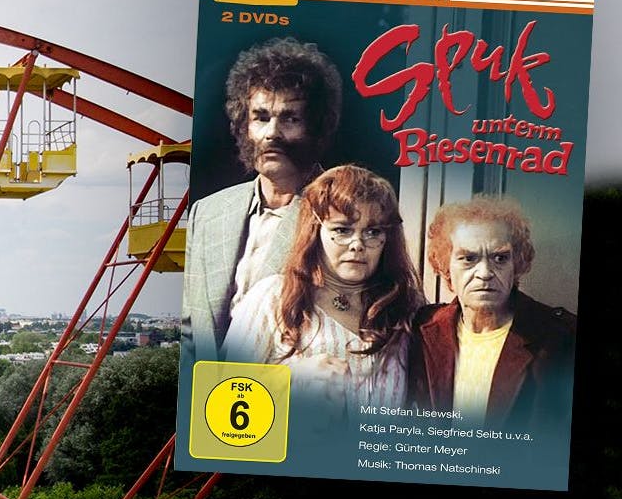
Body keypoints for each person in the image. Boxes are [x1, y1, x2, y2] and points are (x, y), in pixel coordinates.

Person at [183, 37, 344, 360]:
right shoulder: (207, 213)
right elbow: (191, 331)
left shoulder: (343, 214)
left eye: (290, 118)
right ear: (244, 126)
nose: (272, 133)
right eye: (261, 117)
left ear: (317, 127)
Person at [225, 166, 422, 409]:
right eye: (342, 230)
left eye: (373, 232)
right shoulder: (271, 297)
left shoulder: (407, 309)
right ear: (314, 232)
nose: (357, 244)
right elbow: (219, 404)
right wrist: (291, 381)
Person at [408, 197, 575, 427]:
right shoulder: (421, 328)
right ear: (445, 265)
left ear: (516, 263)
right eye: (468, 258)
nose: (485, 272)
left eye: (500, 258)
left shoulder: (560, 336)